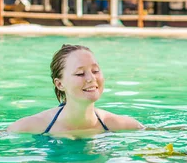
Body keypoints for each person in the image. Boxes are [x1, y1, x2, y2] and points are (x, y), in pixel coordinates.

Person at [8, 44, 143, 137]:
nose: (91, 78)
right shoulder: (32, 126)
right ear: (60, 84)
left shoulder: (121, 125)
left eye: (95, 71)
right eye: (80, 74)